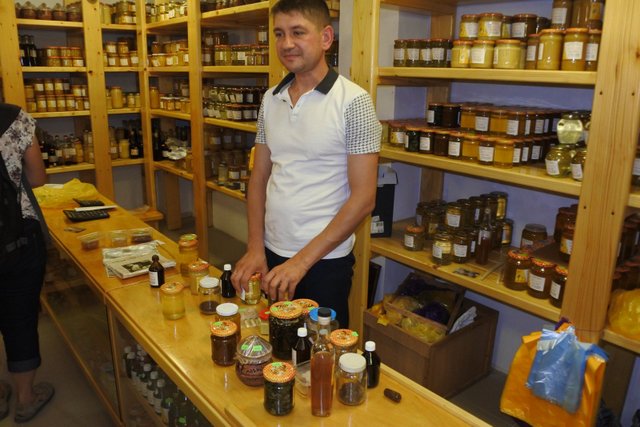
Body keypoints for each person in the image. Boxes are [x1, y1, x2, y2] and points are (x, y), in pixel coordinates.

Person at [231, 0, 381, 328]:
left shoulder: (354, 102)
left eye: (298, 32)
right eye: (279, 34)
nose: (287, 43)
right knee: (276, 342)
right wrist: (255, 247)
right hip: (272, 251)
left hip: (323, 262)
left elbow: (364, 199)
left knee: (320, 349)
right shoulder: (270, 99)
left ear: (326, 38)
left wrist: (300, 263)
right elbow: (259, 178)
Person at [0, 103, 54, 423]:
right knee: (20, 316)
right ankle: (25, 398)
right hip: (17, 236)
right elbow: (37, 177)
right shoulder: (14, 118)